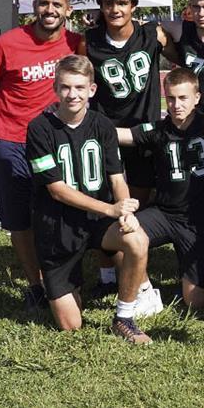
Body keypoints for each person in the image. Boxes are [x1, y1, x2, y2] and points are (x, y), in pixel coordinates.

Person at [23, 54, 150, 344]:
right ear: (55, 88)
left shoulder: (102, 125)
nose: (73, 94)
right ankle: (68, 287)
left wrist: (125, 213)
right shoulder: (39, 128)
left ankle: (124, 317)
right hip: (57, 226)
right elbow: (56, 189)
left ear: (92, 90)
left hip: (97, 222)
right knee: (71, 325)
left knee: (137, 239)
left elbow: (116, 177)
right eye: (66, 87)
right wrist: (111, 208)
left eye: (80, 88)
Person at [0, 0, 82, 314]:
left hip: (55, 143)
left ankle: (65, 280)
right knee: (20, 220)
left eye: (57, 5)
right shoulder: (7, 43)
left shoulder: (76, 44)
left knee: (58, 214)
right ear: (33, 6)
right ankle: (36, 286)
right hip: (11, 140)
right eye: (43, 3)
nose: (49, 10)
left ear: (68, 9)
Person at [77, 0, 170, 295]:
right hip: (108, 135)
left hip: (144, 135)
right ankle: (108, 277)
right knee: (105, 205)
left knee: (137, 207)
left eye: (122, 2)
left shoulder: (152, 34)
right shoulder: (89, 41)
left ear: (133, 5)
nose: (115, 9)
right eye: (108, 3)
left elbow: (185, 58)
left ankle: (133, 267)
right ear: (100, 6)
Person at [114, 67, 204, 313]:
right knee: (119, 235)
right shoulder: (159, 129)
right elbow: (124, 135)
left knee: (196, 301)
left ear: (197, 97)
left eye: (183, 98)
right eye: (170, 98)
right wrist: (84, 122)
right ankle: (145, 292)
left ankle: (202, 276)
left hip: (197, 220)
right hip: (163, 213)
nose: (176, 105)